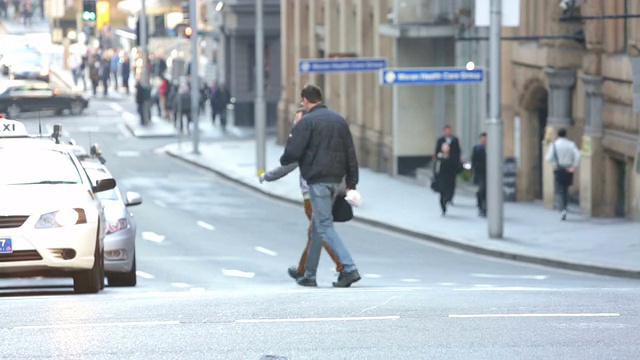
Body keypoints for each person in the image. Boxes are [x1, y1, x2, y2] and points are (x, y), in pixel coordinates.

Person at [280, 84, 360, 288]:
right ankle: (309, 274)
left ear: (305, 101)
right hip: (337, 180)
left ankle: (349, 268)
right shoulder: (339, 120)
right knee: (317, 226)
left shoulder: (307, 122)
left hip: (318, 181)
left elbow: (292, 152)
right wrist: (351, 183)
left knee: (323, 225)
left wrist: (286, 157)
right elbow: (351, 153)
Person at [259, 108, 343, 280]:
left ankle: (344, 266)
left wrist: (266, 176)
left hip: (312, 196)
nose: (295, 124)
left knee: (320, 233)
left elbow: (286, 166)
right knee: (315, 233)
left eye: (298, 121)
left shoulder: (305, 141)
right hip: (324, 192)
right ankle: (303, 269)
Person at [545, 128, 581, 220]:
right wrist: (574, 165)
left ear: (558, 135)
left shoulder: (554, 145)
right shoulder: (571, 144)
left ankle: (562, 209)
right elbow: (578, 155)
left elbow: (548, 157)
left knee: (560, 189)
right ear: (565, 134)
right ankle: (565, 206)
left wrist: (555, 164)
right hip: (568, 168)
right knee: (566, 188)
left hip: (559, 168)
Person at [434, 125, 461, 204]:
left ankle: (450, 196)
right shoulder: (440, 140)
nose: (448, 132)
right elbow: (437, 152)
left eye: (449, 130)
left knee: (451, 182)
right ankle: (444, 197)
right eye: (446, 130)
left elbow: (457, 152)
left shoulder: (455, 140)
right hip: (443, 165)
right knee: (443, 182)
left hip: (452, 165)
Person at [434, 142, 458, 216]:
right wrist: (436, 175)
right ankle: (443, 206)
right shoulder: (439, 157)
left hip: (450, 177)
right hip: (442, 178)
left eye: (447, 147)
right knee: (442, 193)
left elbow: (455, 166)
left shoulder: (452, 157)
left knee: (449, 191)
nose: (445, 149)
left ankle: (447, 199)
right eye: (444, 147)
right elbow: (436, 167)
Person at [471, 133, 487, 217]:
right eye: (482, 138)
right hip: (480, 173)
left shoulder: (491, 148)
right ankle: (481, 206)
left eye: (485, 138)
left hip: (489, 174)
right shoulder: (477, 149)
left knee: (488, 191)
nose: (484, 140)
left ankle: (486, 207)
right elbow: (474, 161)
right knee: (481, 189)